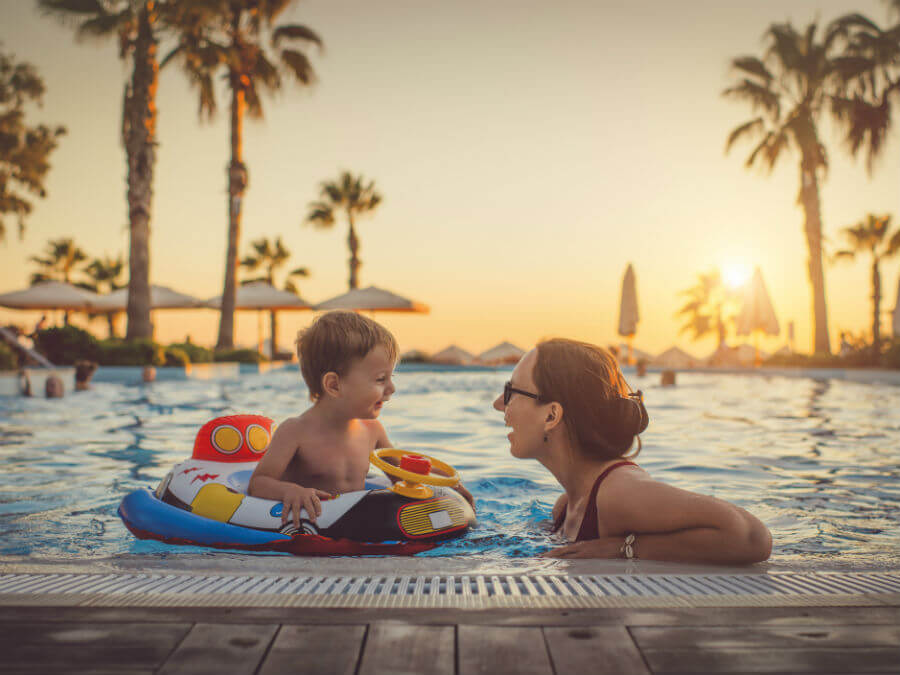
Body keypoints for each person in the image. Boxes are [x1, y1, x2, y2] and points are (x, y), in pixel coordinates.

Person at [493, 338, 771, 564]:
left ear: (551, 416)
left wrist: (625, 548)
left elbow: (751, 536)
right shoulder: (566, 506)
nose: (498, 404)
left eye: (511, 392)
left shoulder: (617, 493)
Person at [249, 310, 474, 530]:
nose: (391, 389)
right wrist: (291, 491)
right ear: (334, 385)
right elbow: (258, 483)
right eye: (380, 379)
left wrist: (445, 484)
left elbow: (401, 476)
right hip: (319, 529)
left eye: (391, 377)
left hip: (359, 526)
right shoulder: (295, 431)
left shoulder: (372, 430)